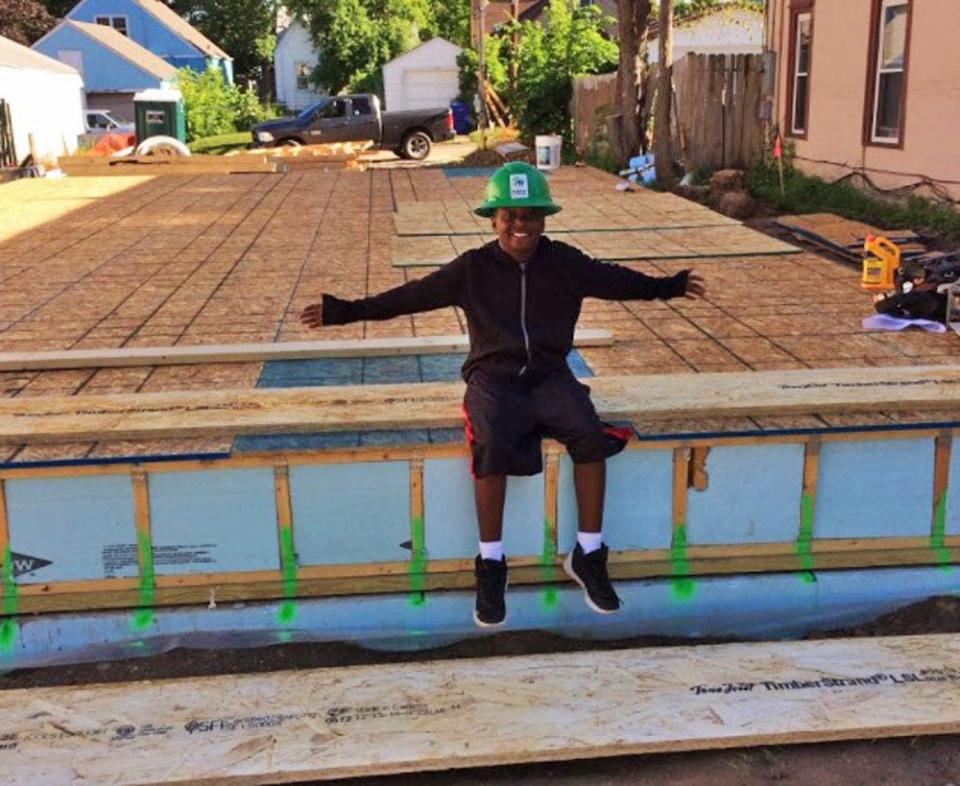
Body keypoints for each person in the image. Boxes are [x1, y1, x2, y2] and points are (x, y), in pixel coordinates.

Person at [301, 161, 706, 628]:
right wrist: (343, 312)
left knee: (589, 434)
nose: (521, 225)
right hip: (492, 380)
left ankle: (588, 554)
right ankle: (491, 563)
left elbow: (615, 280)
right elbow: (410, 296)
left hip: (550, 376)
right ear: (493, 219)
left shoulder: (565, 263)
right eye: (510, 215)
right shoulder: (471, 269)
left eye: (531, 215)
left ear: (545, 219)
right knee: (490, 439)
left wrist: (668, 287)